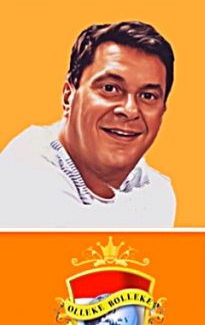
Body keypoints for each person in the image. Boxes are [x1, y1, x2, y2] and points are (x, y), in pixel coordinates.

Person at [0, 21, 176, 228]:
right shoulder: (24, 173)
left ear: (162, 110)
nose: (130, 110)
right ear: (68, 97)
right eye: (110, 88)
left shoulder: (156, 189)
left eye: (148, 95)